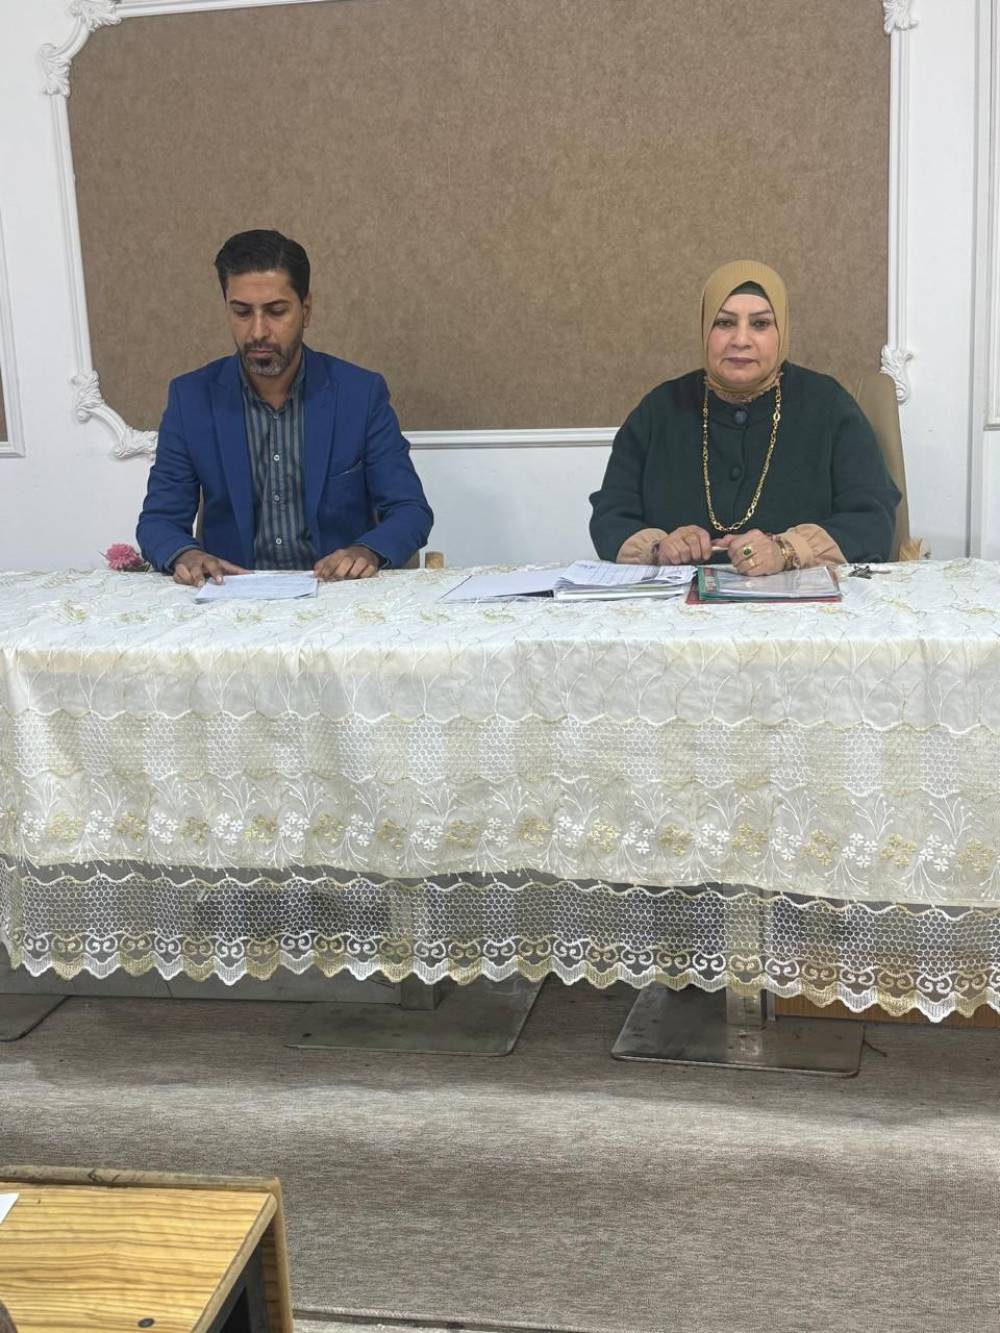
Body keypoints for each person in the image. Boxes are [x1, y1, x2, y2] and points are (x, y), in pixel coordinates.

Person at [137, 229, 433, 585]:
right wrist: (186, 554)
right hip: (233, 595)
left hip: (337, 595)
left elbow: (409, 510)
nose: (258, 331)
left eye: (276, 311)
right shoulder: (191, 399)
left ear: (305, 311)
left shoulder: (360, 394)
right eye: (242, 312)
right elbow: (158, 521)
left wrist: (366, 551)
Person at [589, 260, 900, 575]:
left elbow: (873, 520)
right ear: (705, 329)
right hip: (679, 601)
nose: (741, 339)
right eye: (724, 323)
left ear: (782, 331)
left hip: (800, 601)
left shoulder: (829, 406)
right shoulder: (659, 410)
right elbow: (611, 516)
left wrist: (787, 550)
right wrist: (658, 549)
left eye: (760, 324)